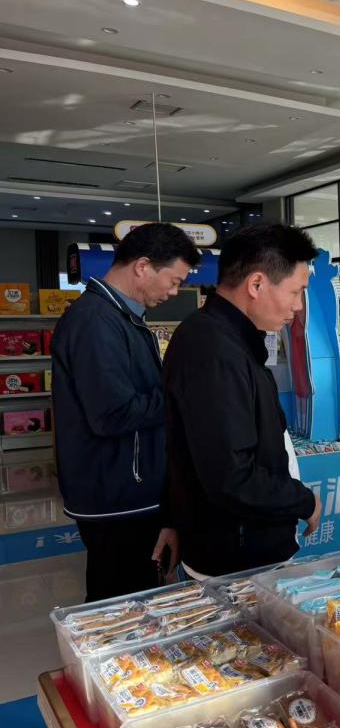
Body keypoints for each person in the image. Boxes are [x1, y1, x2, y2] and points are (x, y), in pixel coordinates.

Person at [163, 224, 322, 578]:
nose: (298, 307)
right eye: (296, 292)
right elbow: (232, 477)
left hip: (245, 545)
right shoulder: (214, 351)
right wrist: (304, 501)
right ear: (256, 284)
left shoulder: (229, 338)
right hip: (237, 559)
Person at [52, 222, 200, 601]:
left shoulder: (122, 317)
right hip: (116, 494)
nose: (174, 291)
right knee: (121, 602)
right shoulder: (96, 320)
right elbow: (112, 413)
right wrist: (183, 397)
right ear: (143, 266)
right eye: (173, 280)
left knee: (134, 594)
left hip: (128, 487)